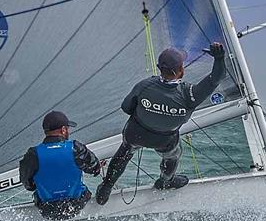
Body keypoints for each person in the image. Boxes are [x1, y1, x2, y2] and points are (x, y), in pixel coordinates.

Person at [95, 42, 226, 205]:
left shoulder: (144, 85)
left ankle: (106, 188)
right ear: (181, 70)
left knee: (125, 151)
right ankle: (165, 181)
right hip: (165, 140)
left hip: (135, 133)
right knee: (173, 155)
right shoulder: (190, 95)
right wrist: (219, 58)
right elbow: (217, 78)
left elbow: (126, 107)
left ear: (159, 68)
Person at [19, 110, 101, 220]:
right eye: (67, 128)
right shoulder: (75, 148)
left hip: (47, 209)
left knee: (38, 192)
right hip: (75, 205)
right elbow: (94, 168)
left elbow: (28, 184)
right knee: (84, 190)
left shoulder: (33, 154)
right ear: (63, 130)